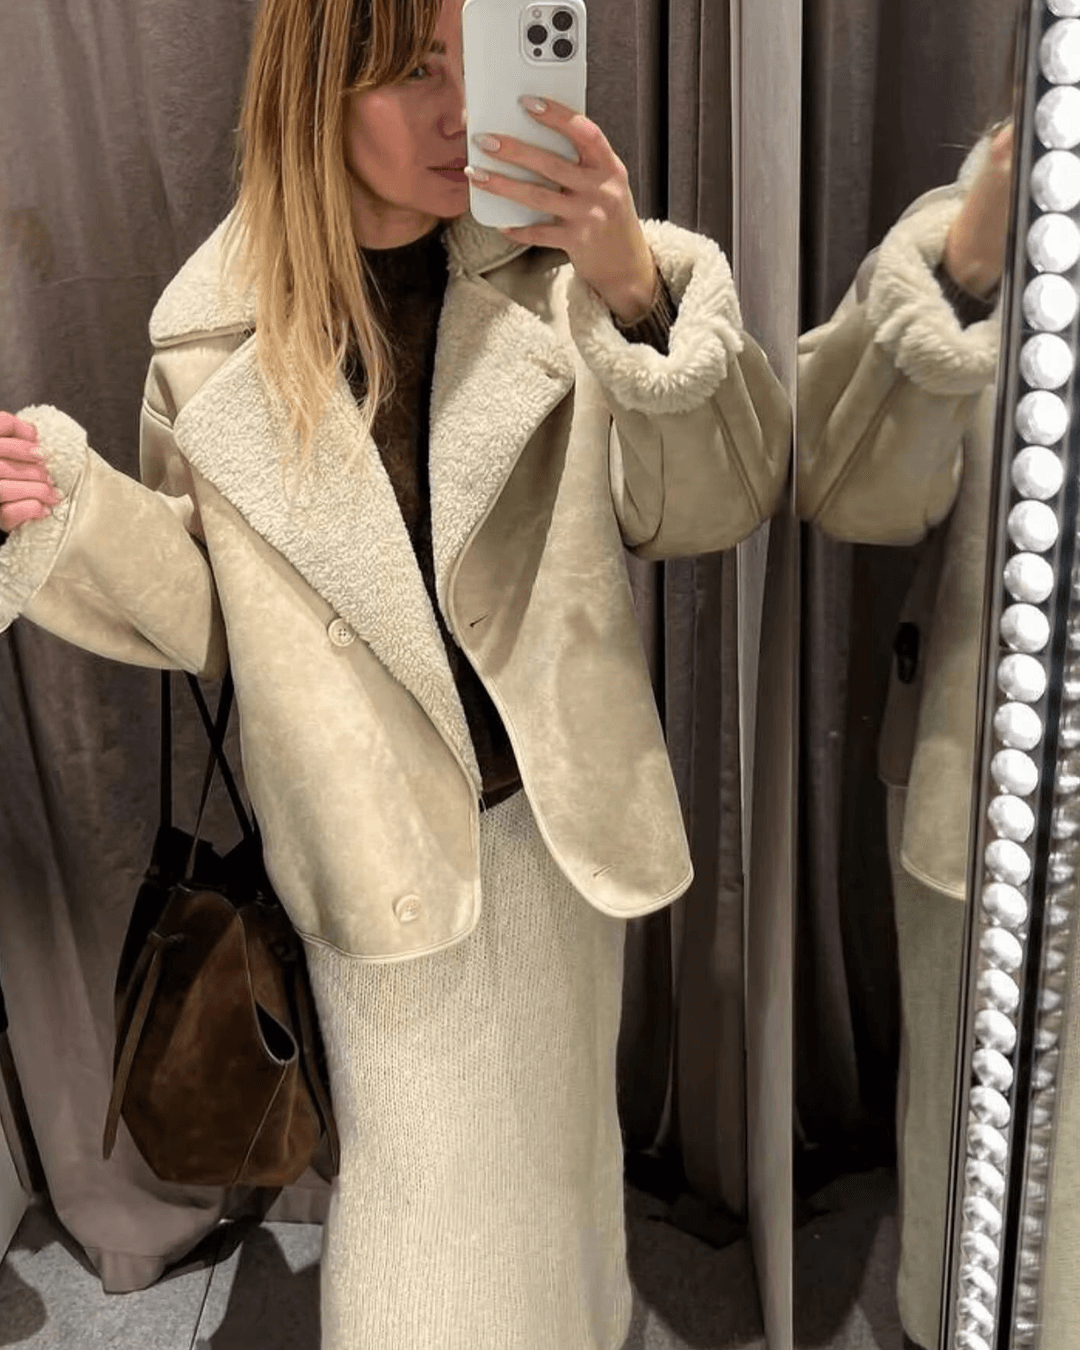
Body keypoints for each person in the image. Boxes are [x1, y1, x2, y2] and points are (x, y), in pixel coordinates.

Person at [0, 0, 790, 1346]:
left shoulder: (553, 272)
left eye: (474, 62)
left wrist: (636, 296)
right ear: (317, 84)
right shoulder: (212, 337)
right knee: (421, 1224)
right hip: (371, 854)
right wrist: (60, 508)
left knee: (563, 1171)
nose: (458, 113)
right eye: (413, 71)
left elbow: (713, 504)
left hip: (554, 827)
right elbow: (212, 614)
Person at [797, 124, 1011, 1349]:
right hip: (992, 778)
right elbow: (842, 485)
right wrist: (967, 272)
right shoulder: (982, 227)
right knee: (978, 1146)